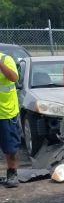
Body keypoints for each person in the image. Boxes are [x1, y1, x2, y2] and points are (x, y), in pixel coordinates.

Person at [0, 51, 20, 188]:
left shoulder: (6, 59)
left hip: (6, 112)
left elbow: (13, 78)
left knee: (10, 147)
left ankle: (12, 173)